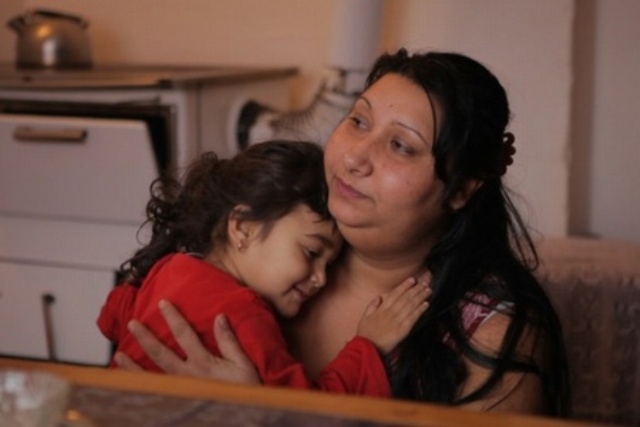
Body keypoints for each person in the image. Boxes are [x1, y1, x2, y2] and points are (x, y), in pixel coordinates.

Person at [116, 49, 570, 416]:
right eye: (358, 121)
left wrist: (257, 414)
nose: (354, 158)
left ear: (461, 189)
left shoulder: (492, 334)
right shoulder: (266, 256)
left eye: (401, 146)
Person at [97, 139, 430, 396]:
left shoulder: (171, 267)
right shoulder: (244, 314)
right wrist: (367, 346)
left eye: (329, 264)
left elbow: (113, 314)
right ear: (243, 228)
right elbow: (309, 413)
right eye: (312, 251)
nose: (321, 278)